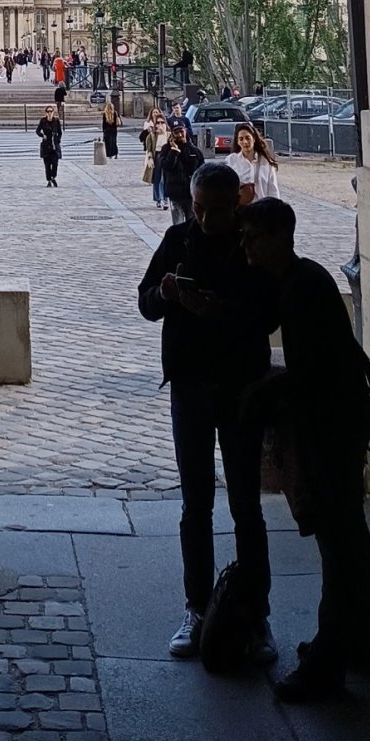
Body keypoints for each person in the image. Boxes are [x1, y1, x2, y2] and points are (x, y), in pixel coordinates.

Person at [137, 161, 278, 664]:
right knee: (195, 504)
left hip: (240, 386)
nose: (204, 220)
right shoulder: (177, 240)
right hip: (192, 387)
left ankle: (255, 613)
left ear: (235, 204)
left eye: (214, 211)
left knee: (246, 506)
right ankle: (197, 607)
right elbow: (146, 302)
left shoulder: (251, 244)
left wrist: (218, 310)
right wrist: (167, 293)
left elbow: (269, 311)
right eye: (197, 209)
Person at [241, 197, 370, 701]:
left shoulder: (300, 289)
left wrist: (265, 389)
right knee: (349, 537)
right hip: (338, 419)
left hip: (330, 425)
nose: (246, 246)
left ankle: (328, 662)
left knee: (337, 543)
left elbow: (312, 371)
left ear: (279, 235)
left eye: (253, 237)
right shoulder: (304, 280)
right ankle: (355, 640)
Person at [228, 121, 280, 205]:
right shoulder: (231, 161)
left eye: (248, 138)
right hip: (241, 212)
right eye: (241, 139)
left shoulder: (266, 162)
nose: (245, 142)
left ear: (254, 139)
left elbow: (273, 190)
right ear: (237, 142)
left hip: (262, 211)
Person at [159, 123, 201, 223]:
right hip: (175, 191)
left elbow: (200, 169)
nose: (180, 135)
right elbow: (167, 166)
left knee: (191, 222)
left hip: (190, 191)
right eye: (176, 133)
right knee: (177, 222)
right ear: (172, 135)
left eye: (181, 132)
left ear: (185, 132)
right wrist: (174, 151)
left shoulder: (193, 149)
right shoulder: (166, 149)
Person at [139, 108, 170, 209]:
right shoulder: (152, 136)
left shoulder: (169, 135)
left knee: (165, 178)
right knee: (157, 179)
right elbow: (149, 149)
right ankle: (158, 199)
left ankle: (165, 198)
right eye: (158, 123)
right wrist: (150, 158)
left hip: (167, 156)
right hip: (157, 155)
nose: (160, 125)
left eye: (162, 122)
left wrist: (164, 133)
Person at [36, 102, 63, 187]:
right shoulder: (43, 121)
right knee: (47, 165)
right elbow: (37, 131)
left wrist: (57, 140)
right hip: (46, 145)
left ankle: (53, 177)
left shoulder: (56, 121)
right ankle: (49, 180)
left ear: (53, 112)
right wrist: (42, 135)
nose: (50, 113)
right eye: (48, 111)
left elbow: (60, 132)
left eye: (51, 111)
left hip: (54, 146)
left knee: (55, 164)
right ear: (46, 112)